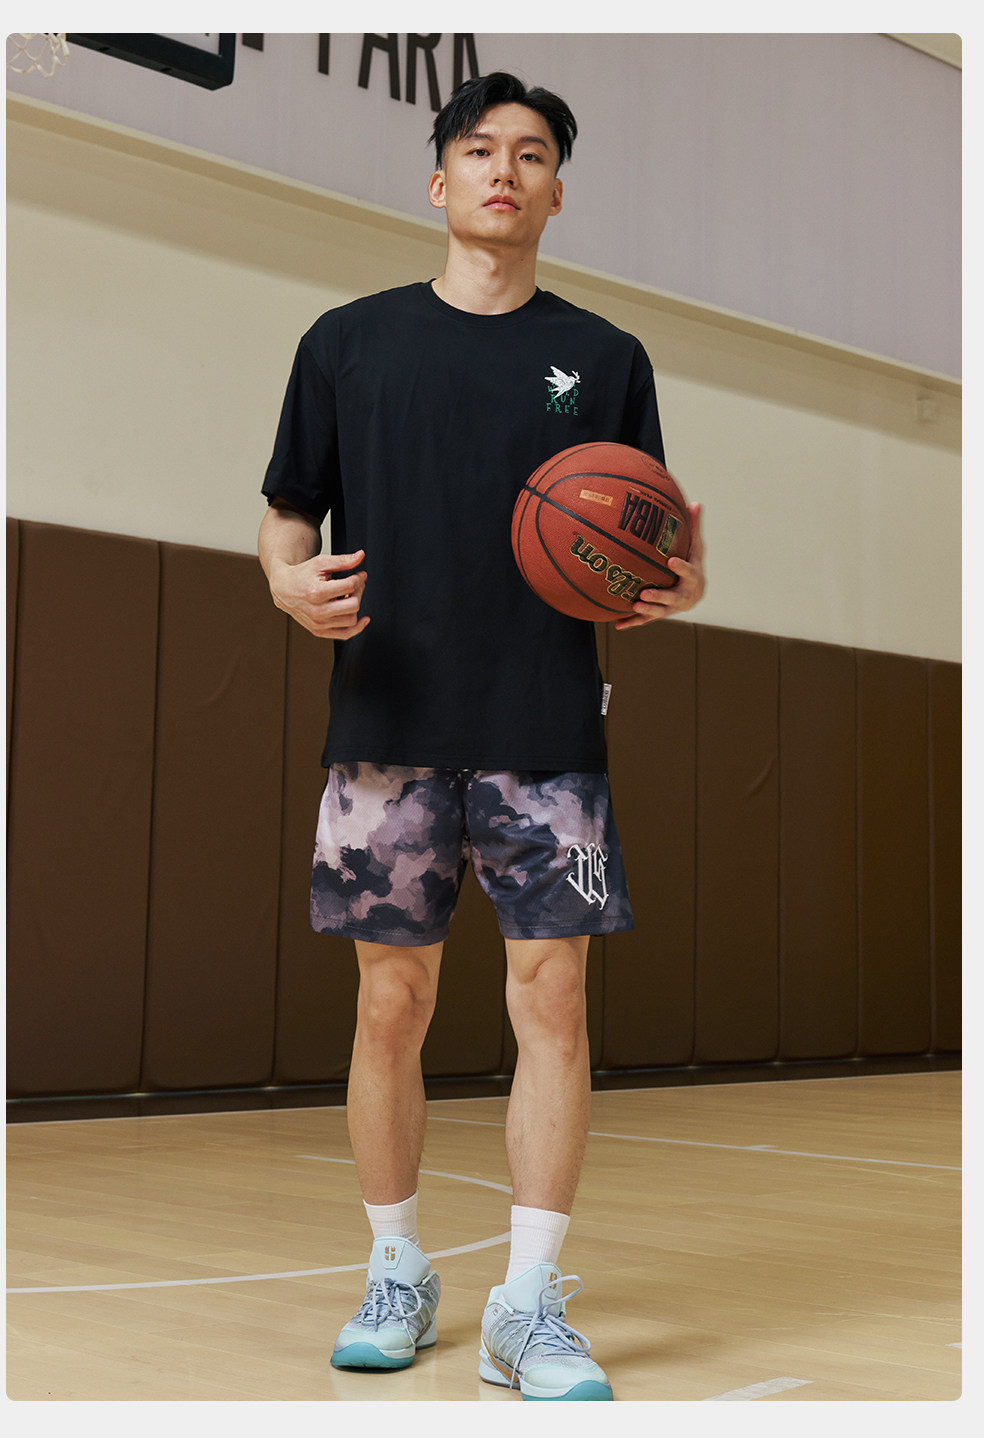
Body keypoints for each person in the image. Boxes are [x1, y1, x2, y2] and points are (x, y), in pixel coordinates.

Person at [258, 71, 705, 1402]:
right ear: (438, 179)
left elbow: (654, 546)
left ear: (558, 193)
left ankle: (528, 1303)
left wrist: (675, 584)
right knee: (389, 1003)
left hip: (545, 729)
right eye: (479, 149)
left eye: (533, 155)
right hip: (386, 724)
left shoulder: (608, 360)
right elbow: (288, 515)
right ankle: (396, 1268)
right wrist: (284, 579)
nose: (504, 169)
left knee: (552, 999)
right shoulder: (347, 342)